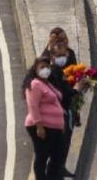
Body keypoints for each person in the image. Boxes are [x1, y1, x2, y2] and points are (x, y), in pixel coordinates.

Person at [23, 56, 66, 180]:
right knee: (42, 155)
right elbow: (33, 105)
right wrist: (39, 126)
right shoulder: (35, 84)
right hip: (42, 126)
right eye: (42, 67)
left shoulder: (47, 83)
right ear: (35, 70)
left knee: (58, 154)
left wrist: (61, 124)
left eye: (47, 67)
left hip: (54, 127)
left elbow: (56, 102)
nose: (46, 70)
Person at [47, 41, 85, 178]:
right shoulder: (53, 73)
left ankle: (60, 169)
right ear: (52, 57)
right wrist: (76, 90)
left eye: (64, 55)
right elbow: (63, 93)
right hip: (58, 115)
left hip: (64, 112)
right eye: (59, 55)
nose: (63, 58)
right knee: (59, 148)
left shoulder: (60, 72)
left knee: (64, 145)